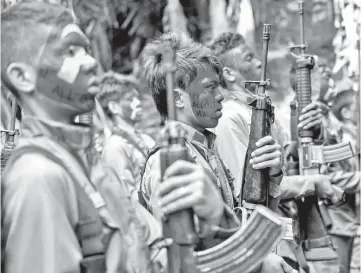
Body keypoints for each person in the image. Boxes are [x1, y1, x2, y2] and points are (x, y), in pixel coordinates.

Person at [1, 3, 236, 273]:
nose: (90, 62)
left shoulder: (92, 168)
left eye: (86, 50)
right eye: (70, 51)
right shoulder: (39, 177)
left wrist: (214, 217)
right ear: (22, 77)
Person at [140, 31, 295, 273]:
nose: (220, 95)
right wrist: (259, 262)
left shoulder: (205, 149)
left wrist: (272, 176)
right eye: (210, 87)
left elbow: (244, 222)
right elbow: (186, 257)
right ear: (178, 98)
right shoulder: (170, 161)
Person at [209, 32, 342, 273]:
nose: (259, 63)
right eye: (248, 59)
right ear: (229, 74)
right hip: (264, 242)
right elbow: (247, 192)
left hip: (286, 228)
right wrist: (312, 183)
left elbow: (287, 162)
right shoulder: (230, 119)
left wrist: (311, 131)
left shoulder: (260, 112)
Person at [97, 71, 154, 201]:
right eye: (130, 99)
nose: (138, 102)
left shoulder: (146, 138)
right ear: (114, 107)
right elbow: (127, 197)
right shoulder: (115, 147)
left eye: (137, 97)